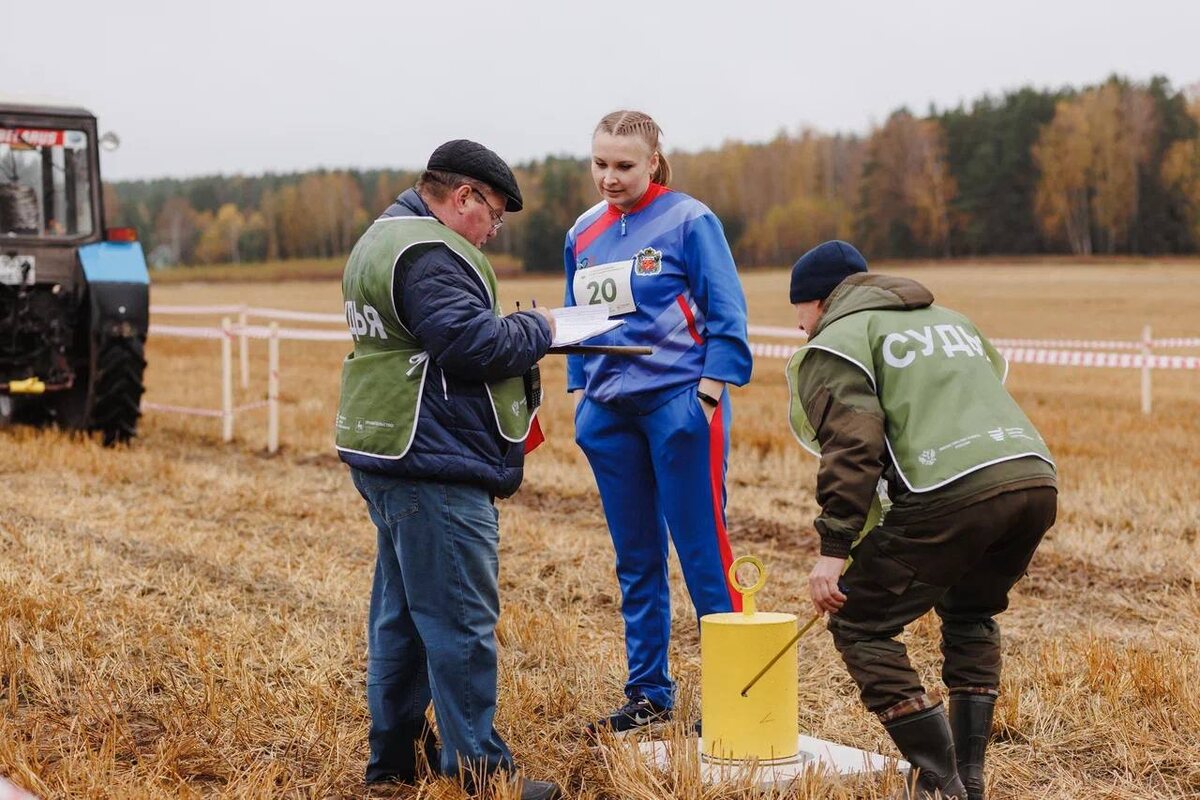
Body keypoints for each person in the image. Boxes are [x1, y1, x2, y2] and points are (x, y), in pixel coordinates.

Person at [785, 240, 1058, 800]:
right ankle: (971, 783)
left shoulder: (840, 341)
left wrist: (834, 552)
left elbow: (852, 447)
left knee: (860, 621)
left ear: (819, 302)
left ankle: (940, 782)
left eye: (800, 314)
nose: (800, 328)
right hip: (1034, 477)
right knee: (970, 610)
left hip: (950, 490)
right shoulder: (951, 321)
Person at [336, 140, 561, 800]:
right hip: (431, 460)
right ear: (463, 197)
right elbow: (469, 344)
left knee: (403, 617)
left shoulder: (384, 236)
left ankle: (395, 760)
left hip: (388, 450)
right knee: (459, 620)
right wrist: (539, 329)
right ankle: (480, 773)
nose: (494, 231)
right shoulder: (432, 254)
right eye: (493, 214)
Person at [563, 110, 753, 735]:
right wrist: (579, 393)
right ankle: (649, 693)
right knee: (636, 559)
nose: (609, 178)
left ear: (652, 163)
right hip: (609, 415)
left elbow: (726, 308)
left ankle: (736, 696)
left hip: (679, 406)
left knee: (703, 552)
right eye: (600, 164)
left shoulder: (691, 220)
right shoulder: (582, 232)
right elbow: (576, 315)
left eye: (623, 165)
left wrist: (708, 392)